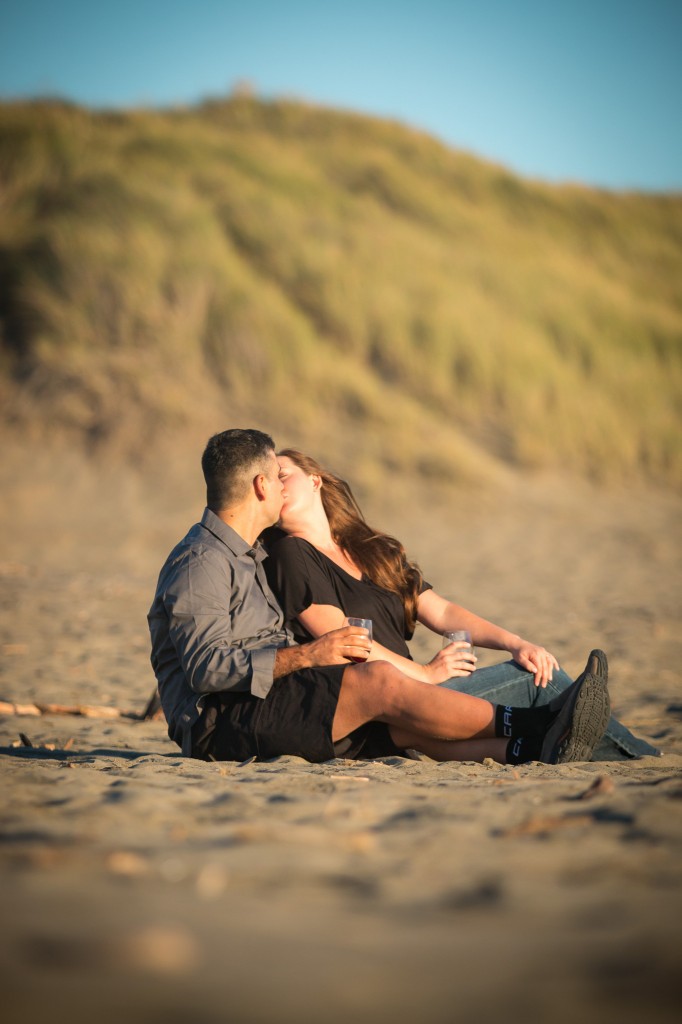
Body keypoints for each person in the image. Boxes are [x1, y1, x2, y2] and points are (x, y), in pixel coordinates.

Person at [148, 428, 611, 766]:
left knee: (397, 724)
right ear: (262, 486)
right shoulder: (202, 562)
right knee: (381, 684)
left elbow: (438, 608)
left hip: (266, 698)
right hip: (220, 722)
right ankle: (540, 724)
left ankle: (535, 748)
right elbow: (207, 669)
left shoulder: (248, 555)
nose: (282, 484)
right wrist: (310, 655)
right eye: (276, 474)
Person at [264, 449, 659, 760]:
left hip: (421, 689)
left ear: (315, 480)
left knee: (533, 668)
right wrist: (426, 673)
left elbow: (444, 612)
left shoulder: (371, 550)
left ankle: (636, 754)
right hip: (389, 702)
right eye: (268, 483)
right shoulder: (290, 554)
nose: (278, 486)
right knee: (540, 682)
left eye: (285, 475)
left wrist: (514, 642)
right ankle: (642, 756)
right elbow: (344, 642)